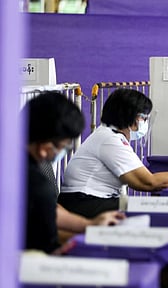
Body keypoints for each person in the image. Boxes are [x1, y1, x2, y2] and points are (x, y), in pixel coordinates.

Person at [58, 88, 168, 218]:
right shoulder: (110, 140)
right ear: (129, 117)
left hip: (93, 201)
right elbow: (148, 183)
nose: (145, 123)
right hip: (84, 204)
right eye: (143, 118)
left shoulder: (109, 135)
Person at [24, 91, 125, 254]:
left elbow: (49, 210)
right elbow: (49, 247)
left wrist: (89, 225)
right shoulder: (36, 185)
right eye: (65, 147)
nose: (66, 150)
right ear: (45, 149)